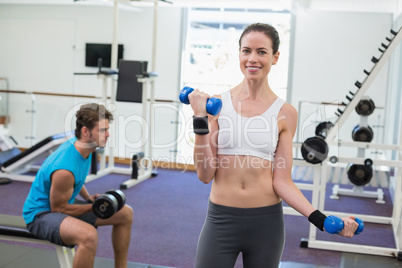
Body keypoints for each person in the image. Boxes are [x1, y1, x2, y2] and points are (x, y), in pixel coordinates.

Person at [189, 23, 359, 268]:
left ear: (275, 57)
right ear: (239, 54)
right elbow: (205, 175)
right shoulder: (216, 105)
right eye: (246, 51)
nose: (252, 58)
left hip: (266, 224)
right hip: (221, 220)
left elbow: (282, 181)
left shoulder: (286, 113)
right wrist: (200, 120)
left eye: (261, 51)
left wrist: (321, 219)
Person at [23, 103, 133, 268]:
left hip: (62, 205)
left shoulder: (84, 146)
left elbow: (76, 180)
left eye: (107, 129)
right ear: (85, 131)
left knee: (125, 213)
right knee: (88, 236)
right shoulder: (64, 169)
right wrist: (93, 207)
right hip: (40, 215)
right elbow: (59, 208)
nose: (108, 134)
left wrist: (88, 198)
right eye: (102, 130)